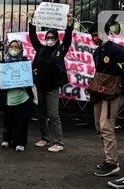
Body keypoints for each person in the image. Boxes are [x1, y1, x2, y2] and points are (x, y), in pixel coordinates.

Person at [89, 22, 124, 177]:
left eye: (97, 34)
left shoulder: (116, 50)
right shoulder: (97, 52)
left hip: (113, 94)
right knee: (99, 127)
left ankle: (112, 163)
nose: (95, 37)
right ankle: (108, 158)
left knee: (106, 126)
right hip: (99, 94)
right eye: (92, 35)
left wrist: (123, 93)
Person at [29, 13, 73, 152]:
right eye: (47, 37)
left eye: (52, 37)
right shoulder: (41, 49)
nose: (49, 39)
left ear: (56, 39)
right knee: (41, 115)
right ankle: (45, 138)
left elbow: (67, 40)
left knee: (53, 115)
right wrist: (32, 22)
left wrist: (69, 25)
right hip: (40, 87)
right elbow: (33, 38)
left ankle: (59, 143)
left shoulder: (60, 50)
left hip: (52, 88)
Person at [0, 40, 34, 152]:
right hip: (8, 96)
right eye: (11, 46)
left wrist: (26, 83)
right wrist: (2, 84)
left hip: (22, 96)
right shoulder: (3, 62)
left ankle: (20, 142)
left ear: (20, 49)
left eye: (16, 47)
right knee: (8, 119)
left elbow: (30, 78)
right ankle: (7, 140)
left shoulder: (25, 62)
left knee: (21, 120)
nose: (13, 49)